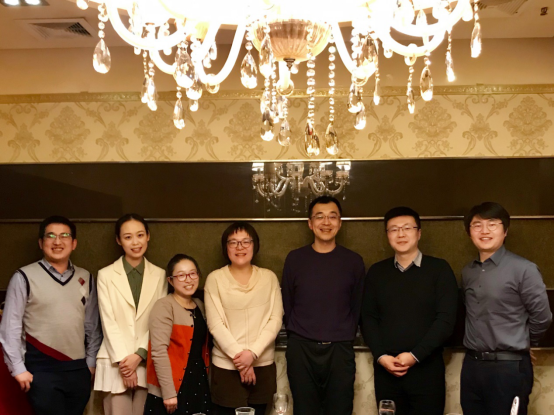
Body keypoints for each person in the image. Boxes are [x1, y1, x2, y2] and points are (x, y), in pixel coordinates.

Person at [361, 207, 459, 415]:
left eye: (407, 228)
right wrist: (381, 356)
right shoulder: (377, 272)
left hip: (427, 370)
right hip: (386, 370)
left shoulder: (439, 269)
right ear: (387, 235)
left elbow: (446, 320)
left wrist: (415, 355)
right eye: (394, 229)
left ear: (419, 233)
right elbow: (368, 318)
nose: (401, 234)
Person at [0, 216, 102, 415]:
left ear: (74, 243)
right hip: (41, 369)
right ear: (41, 242)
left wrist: (90, 363)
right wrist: (18, 369)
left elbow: (92, 326)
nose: (58, 241)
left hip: (78, 370)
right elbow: (10, 328)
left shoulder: (85, 277)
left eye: (64, 236)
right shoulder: (23, 277)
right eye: (51, 236)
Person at [461, 202, 552, 416]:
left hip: (508, 368)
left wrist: (523, 342)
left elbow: (542, 317)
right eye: (477, 225)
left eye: (492, 224)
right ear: (469, 232)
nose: (484, 230)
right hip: (472, 366)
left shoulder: (524, 269)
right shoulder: (467, 271)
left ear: (505, 231)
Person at [282, 196, 365, 415]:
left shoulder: (354, 261)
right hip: (301, 349)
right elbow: (288, 303)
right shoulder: (294, 259)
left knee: (340, 409)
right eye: (319, 217)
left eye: (332, 216)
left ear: (340, 222)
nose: (326, 222)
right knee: (304, 410)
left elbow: (356, 305)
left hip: (340, 350)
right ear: (310, 223)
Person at [204, 222, 283, 415]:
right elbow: (215, 324)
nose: (240, 247)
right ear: (226, 247)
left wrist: (252, 354)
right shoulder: (215, 279)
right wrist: (241, 359)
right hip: (226, 368)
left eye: (246, 241)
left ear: (254, 245)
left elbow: (275, 320)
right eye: (233, 242)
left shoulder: (269, 278)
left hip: (262, 365)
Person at [95, 214, 168, 415]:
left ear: (148, 236)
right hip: (115, 362)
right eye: (128, 237)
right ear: (119, 241)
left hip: (147, 360)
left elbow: (159, 321)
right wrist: (125, 364)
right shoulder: (105, 275)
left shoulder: (160, 274)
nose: (135, 242)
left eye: (140, 235)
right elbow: (108, 321)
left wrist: (139, 355)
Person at [144, 254, 212, 415]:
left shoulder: (200, 305)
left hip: (198, 380)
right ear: (170, 281)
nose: (188, 279)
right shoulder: (164, 306)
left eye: (192, 273)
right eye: (181, 275)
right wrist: (168, 393)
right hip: (173, 385)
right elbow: (158, 351)